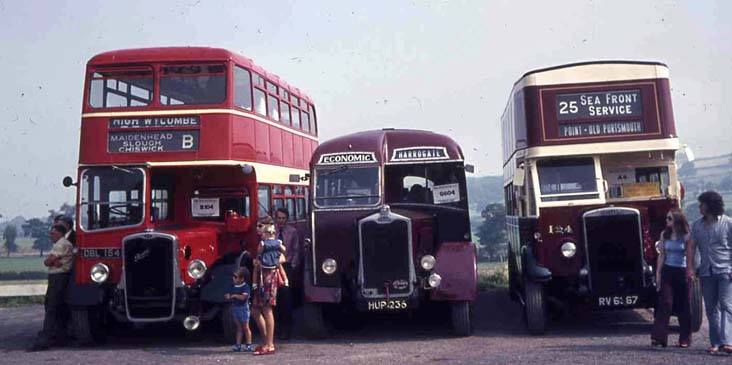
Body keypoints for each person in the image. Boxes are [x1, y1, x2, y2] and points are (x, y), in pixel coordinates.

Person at [686, 191, 732, 355]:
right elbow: (691, 246)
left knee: (726, 305)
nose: (699, 206)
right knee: (711, 308)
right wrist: (690, 268)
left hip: (726, 270)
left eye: (702, 204)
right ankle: (716, 342)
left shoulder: (728, 223)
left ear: (710, 205)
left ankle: (727, 341)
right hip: (706, 271)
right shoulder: (697, 225)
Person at [651, 208, 692, 348]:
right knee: (665, 303)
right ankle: (659, 338)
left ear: (677, 220)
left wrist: (691, 271)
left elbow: (690, 255)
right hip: (668, 271)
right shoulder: (665, 234)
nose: (667, 221)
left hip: (682, 271)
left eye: (670, 218)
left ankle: (685, 338)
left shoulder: (686, 236)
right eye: (667, 218)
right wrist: (658, 274)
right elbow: (662, 255)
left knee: (684, 305)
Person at [28, 224, 74, 351]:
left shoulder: (61, 244)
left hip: (58, 277)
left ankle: (44, 341)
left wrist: (52, 261)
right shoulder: (66, 244)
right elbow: (53, 261)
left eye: (53, 233)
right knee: (60, 308)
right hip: (62, 276)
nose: (50, 236)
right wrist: (55, 261)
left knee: (51, 307)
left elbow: (47, 262)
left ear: (60, 233)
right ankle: (60, 338)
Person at [250, 216, 279, 356]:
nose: (258, 228)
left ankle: (270, 344)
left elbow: (282, 257)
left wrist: (268, 263)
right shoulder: (262, 242)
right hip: (261, 278)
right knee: (255, 310)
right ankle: (266, 341)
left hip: (268, 277)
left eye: (260, 226)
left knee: (267, 310)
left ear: (268, 227)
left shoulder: (273, 243)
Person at [275, 208, 301, 340]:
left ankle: (287, 329)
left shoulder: (292, 232)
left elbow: (296, 250)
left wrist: (293, 265)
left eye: (283, 218)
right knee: (275, 298)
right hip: (273, 266)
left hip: (287, 266)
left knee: (285, 296)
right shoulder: (272, 231)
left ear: (287, 219)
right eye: (279, 218)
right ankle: (277, 328)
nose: (280, 221)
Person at [224, 267, 253, 352]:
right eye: (234, 276)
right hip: (236, 308)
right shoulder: (233, 286)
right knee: (239, 328)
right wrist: (228, 296)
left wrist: (234, 296)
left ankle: (248, 345)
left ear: (242, 278)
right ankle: (238, 345)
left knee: (246, 328)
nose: (234, 278)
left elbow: (244, 297)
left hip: (243, 309)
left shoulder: (245, 287)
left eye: (236, 277)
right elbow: (229, 294)